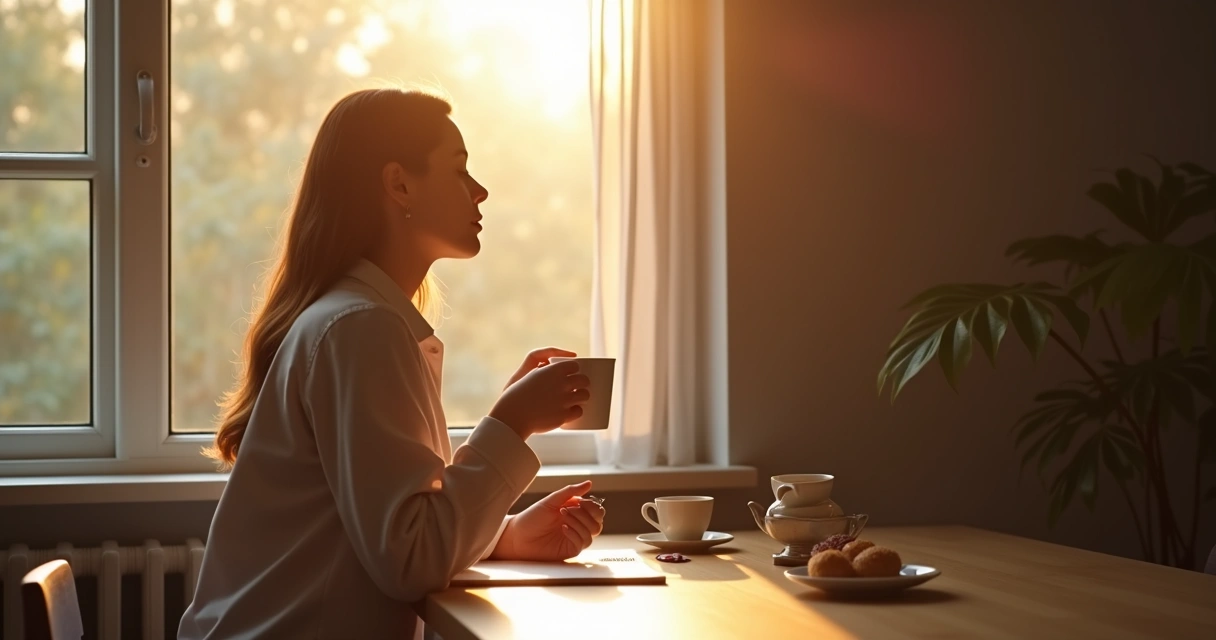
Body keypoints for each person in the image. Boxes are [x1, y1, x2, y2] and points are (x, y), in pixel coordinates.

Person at [178, 87, 606, 640]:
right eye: (459, 170)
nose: (480, 191)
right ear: (399, 183)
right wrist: (511, 424)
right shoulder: (360, 329)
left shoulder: (361, 321)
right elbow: (409, 560)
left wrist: (510, 536)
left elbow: (387, 527)